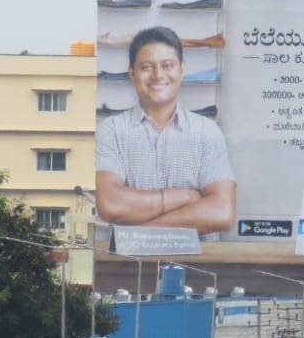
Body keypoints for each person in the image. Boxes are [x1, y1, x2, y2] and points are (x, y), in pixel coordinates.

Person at [95, 26, 237, 238]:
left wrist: (140, 234)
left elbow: (221, 212)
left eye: (167, 65)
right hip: (130, 268)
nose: (158, 75)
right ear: (131, 73)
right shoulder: (112, 130)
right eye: (146, 67)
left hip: (198, 266)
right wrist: (185, 197)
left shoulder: (206, 131)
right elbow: (111, 205)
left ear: (182, 69)